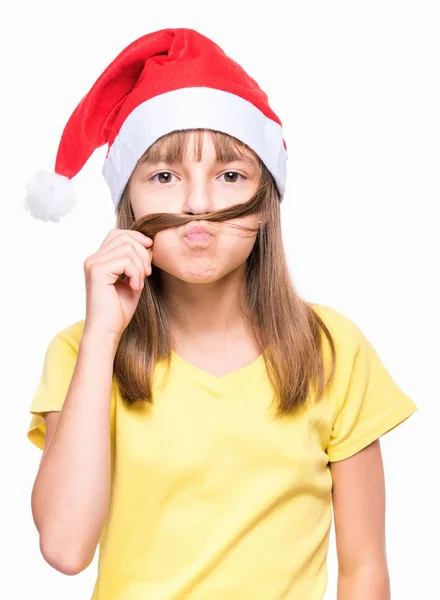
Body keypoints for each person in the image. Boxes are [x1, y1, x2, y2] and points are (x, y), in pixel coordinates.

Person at [25, 27, 418, 600]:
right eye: (164, 176)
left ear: (266, 202)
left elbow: (364, 570)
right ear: (128, 200)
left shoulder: (332, 349)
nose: (199, 205)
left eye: (230, 175)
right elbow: (64, 547)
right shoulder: (80, 353)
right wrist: (104, 337)